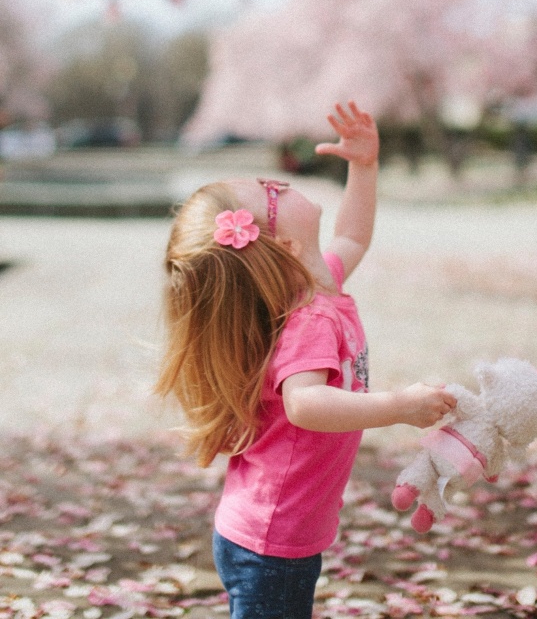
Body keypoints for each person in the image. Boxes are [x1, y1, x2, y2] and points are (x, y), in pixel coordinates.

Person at [155, 100, 456, 619]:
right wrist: (400, 405)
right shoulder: (309, 319)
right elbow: (306, 404)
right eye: (272, 193)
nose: (280, 182)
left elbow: (354, 235)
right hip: (272, 541)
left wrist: (363, 167)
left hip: (270, 530)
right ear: (288, 245)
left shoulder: (321, 284)